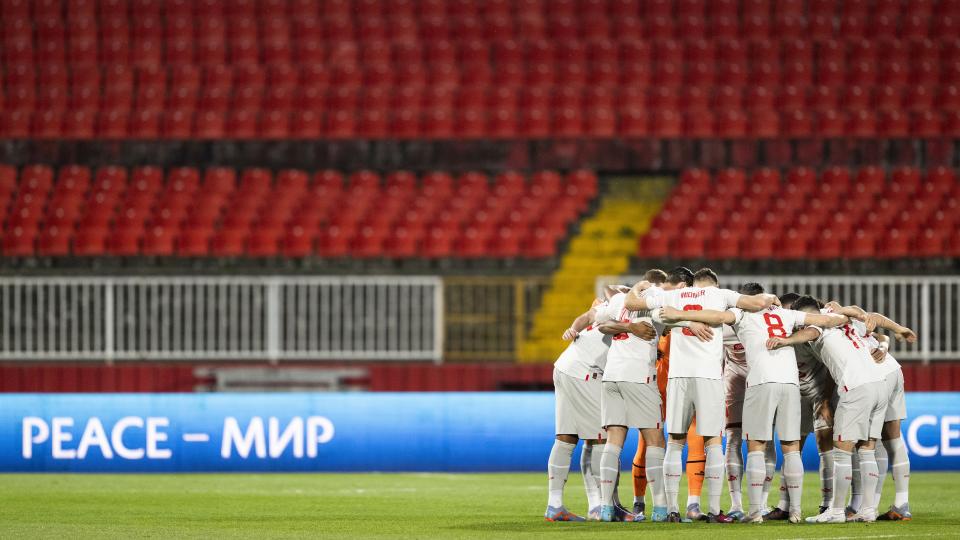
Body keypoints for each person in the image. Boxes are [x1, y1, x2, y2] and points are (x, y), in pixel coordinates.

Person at [661, 284, 847, 524]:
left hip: (761, 381)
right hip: (790, 383)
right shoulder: (786, 314)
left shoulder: (741, 314)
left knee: (756, 445)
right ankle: (796, 511)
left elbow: (717, 316)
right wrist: (841, 312)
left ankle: (755, 511)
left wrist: (681, 315)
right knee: (791, 447)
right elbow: (824, 322)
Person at [627, 268, 779, 522]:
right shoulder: (720, 294)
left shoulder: (673, 296)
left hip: (678, 377)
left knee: (675, 441)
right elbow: (757, 302)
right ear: (714, 284)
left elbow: (632, 302)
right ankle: (714, 510)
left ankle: (672, 509)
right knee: (713, 442)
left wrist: (641, 286)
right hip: (708, 376)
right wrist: (771, 299)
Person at [768, 295, 896, 523]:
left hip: (856, 387)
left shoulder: (818, 323)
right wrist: (897, 329)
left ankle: (836, 511)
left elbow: (810, 332)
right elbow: (862, 314)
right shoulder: (840, 317)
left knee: (842, 451)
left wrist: (785, 340)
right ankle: (868, 510)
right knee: (866, 449)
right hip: (879, 384)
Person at [630, 267, 713, 521]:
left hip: (681, 381)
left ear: (682, 286)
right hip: (662, 382)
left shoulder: (692, 304)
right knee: (652, 441)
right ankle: (642, 502)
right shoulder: (669, 303)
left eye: (669, 288)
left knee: (690, 438)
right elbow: (618, 295)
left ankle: (690, 504)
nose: (664, 292)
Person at [544, 297, 613, 521]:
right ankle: (600, 506)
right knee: (600, 438)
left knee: (566, 437)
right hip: (585, 371)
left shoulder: (610, 305)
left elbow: (588, 315)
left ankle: (554, 506)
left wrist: (574, 329)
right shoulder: (631, 308)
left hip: (564, 366)